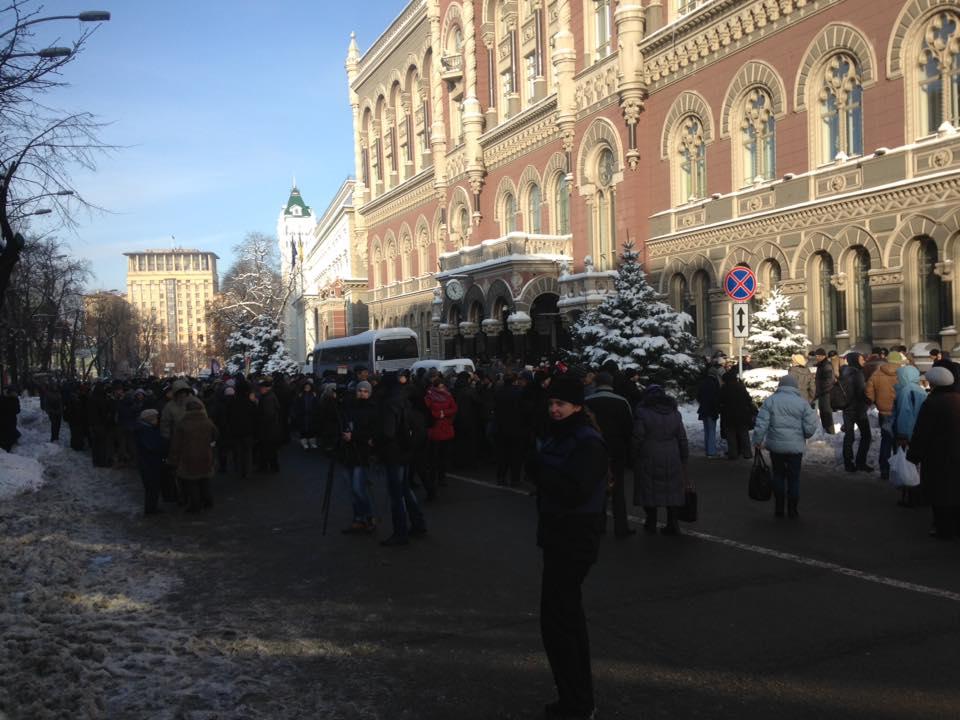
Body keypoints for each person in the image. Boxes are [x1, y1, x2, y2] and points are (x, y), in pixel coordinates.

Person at [527, 374, 608, 720]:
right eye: (552, 403)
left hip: (575, 536)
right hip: (559, 535)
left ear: (577, 405)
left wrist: (539, 473)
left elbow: (577, 489)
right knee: (563, 619)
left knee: (560, 621)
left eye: (560, 403)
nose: (554, 409)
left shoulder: (586, 440)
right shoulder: (559, 436)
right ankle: (575, 697)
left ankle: (577, 702)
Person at [751, 375, 819, 518]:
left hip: (776, 447)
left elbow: (761, 423)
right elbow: (811, 425)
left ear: (780, 386)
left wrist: (757, 440)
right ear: (794, 387)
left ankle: (779, 508)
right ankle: (793, 509)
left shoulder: (771, 401)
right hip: (795, 448)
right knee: (794, 478)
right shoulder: (802, 403)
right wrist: (805, 435)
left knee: (778, 476)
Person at [906, 366, 960, 539]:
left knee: (941, 493)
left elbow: (923, 431)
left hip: (938, 456)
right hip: (955, 454)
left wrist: (914, 454)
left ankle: (943, 529)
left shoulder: (932, 403)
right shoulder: (957, 399)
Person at [377, 372, 427, 546]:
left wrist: (375, 440)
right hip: (405, 450)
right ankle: (418, 524)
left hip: (393, 452)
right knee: (405, 489)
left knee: (396, 494)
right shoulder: (404, 399)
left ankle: (400, 532)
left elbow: (387, 432)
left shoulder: (389, 403)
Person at [632, 385, 689, 535]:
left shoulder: (642, 412)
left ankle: (651, 521)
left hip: (649, 453)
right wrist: (684, 456)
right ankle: (673, 523)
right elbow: (682, 437)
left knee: (649, 489)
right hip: (672, 454)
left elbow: (638, 436)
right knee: (672, 489)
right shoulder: (674, 413)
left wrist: (633, 454)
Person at [584, 371, 635, 538]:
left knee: (597, 487)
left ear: (596, 384)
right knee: (618, 489)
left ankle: (599, 525)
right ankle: (621, 527)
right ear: (611, 384)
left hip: (594, 450)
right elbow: (629, 429)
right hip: (617, 449)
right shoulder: (622, 402)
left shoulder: (587, 402)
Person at [168, 397, 218, 512]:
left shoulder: (182, 424)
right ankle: (208, 501)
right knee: (205, 479)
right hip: (206, 454)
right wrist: (211, 445)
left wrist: (173, 459)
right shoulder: (207, 422)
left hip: (188, 456)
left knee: (192, 482)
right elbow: (215, 435)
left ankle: (195, 505)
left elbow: (176, 444)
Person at [340, 381, 377, 534]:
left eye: (365, 391)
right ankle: (358, 518)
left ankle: (369, 516)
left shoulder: (373, 409)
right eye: (360, 390)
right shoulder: (351, 408)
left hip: (362, 454)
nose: (362, 393)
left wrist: (353, 436)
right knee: (352, 490)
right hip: (349, 453)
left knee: (358, 488)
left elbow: (371, 433)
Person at [891, 363, 927, 507]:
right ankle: (918, 496)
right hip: (918, 433)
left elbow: (904, 414)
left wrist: (902, 435)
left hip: (908, 434)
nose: (897, 379)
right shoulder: (920, 390)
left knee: (908, 467)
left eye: (899, 376)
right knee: (916, 467)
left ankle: (911, 498)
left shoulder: (905, 391)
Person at [866, 351, 901, 481]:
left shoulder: (877, 372)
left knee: (886, 441)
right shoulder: (902, 373)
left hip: (883, 411)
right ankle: (899, 469)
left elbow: (868, 390)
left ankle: (884, 470)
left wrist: (876, 401)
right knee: (899, 441)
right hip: (899, 410)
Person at [423, 375, 457, 494]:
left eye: (443, 387)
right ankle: (433, 478)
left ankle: (442, 477)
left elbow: (454, 408)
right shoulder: (429, 396)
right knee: (434, 456)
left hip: (445, 428)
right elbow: (430, 411)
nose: (441, 389)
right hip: (436, 429)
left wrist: (442, 412)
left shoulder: (447, 395)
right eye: (440, 387)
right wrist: (443, 414)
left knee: (443, 455)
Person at [839, 351, 872, 472]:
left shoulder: (844, 372)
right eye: (861, 359)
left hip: (847, 409)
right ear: (855, 360)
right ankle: (860, 462)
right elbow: (861, 393)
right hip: (858, 409)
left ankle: (848, 463)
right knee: (866, 436)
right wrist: (869, 400)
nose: (864, 361)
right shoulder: (857, 374)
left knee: (849, 436)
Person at [134, 408, 166, 515]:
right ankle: (151, 509)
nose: (157, 420)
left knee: (152, 486)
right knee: (152, 486)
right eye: (156, 417)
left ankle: (152, 507)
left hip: (149, 461)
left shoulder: (145, 429)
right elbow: (151, 446)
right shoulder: (146, 430)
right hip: (149, 462)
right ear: (150, 419)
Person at [719, 367, 754, 460]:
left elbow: (720, 401)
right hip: (742, 415)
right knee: (744, 435)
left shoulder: (724, 388)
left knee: (731, 436)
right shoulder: (741, 387)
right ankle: (747, 453)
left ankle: (733, 453)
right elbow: (749, 399)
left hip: (728, 416)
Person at [696, 360, 723, 458]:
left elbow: (698, 396)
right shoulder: (715, 383)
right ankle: (712, 452)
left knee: (707, 431)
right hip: (712, 410)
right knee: (712, 430)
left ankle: (708, 450)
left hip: (703, 409)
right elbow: (717, 397)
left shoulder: (703, 382)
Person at [255, 379, 282, 473]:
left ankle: (266, 467)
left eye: (262, 388)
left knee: (266, 449)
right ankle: (272, 466)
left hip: (268, 429)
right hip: (271, 428)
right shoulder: (269, 396)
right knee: (270, 449)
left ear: (267, 388)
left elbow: (267, 415)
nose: (260, 389)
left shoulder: (267, 399)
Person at [290, 381, 320, 449]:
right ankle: (305, 443)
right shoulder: (300, 395)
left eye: (308, 387)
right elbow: (296, 405)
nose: (307, 388)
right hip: (302, 415)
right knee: (303, 430)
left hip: (311, 415)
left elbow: (317, 405)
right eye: (306, 387)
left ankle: (312, 443)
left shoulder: (314, 395)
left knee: (311, 429)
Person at [813, 348, 835, 433]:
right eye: (816, 356)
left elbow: (830, 380)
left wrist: (821, 389)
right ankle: (826, 432)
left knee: (827, 413)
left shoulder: (826, 365)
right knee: (823, 413)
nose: (817, 357)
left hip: (826, 393)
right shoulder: (821, 364)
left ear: (823, 356)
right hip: (822, 393)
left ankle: (830, 432)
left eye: (819, 356)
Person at [0, 386, 21, 452]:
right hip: (9, 420)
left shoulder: (3, 398)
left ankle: (6, 448)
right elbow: (17, 410)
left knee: (6, 434)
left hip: (6, 420)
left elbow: (17, 410)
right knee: (8, 433)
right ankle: (7, 448)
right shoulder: (14, 399)